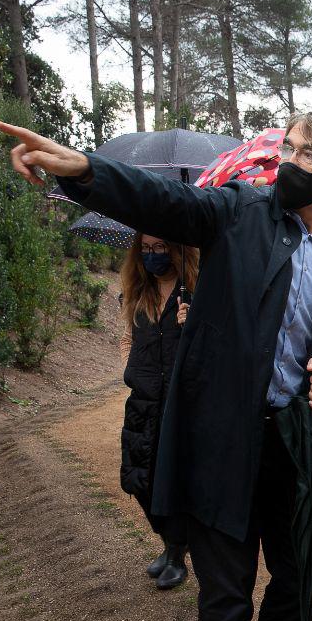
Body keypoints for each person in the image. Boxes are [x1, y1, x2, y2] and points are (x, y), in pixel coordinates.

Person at [0, 113, 312, 621]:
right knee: (227, 598)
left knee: (298, 585)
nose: (285, 161)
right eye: (285, 147)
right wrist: (83, 169)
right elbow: (163, 202)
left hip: (297, 446)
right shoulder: (239, 212)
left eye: (306, 154)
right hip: (222, 441)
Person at [118, 232, 198, 590]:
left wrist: (191, 323)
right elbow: (128, 338)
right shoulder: (138, 294)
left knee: (175, 480)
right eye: (146, 249)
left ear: (177, 249)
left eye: (160, 247)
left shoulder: (195, 291)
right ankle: (169, 545)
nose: (152, 256)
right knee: (140, 480)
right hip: (144, 401)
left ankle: (177, 553)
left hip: (181, 404)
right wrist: (129, 368)